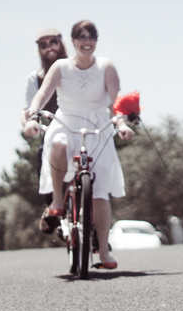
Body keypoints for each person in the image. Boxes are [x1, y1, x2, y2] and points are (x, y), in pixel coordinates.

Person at [25, 20, 134, 269]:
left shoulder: (106, 66)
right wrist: (32, 116)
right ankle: (57, 201)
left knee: (100, 193)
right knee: (58, 143)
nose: (87, 42)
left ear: (96, 41)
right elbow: (42, 94)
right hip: (67, 121)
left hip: (97, 125)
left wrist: (122, 124)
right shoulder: (61, 67)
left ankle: (104, 252)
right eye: (82, 37)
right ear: (73, 41)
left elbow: (115, 99)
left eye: (91, 37)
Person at [21, 27, 70, 219]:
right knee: (44, 162)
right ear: (39, 50)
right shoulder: (35, 78)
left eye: (53, 42)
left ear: (62, 43)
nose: (49, 48)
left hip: (79, 128)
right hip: (52, 130)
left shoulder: (76, 70)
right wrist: (29, 123)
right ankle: (52, 209)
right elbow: (27, 110)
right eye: (43, 45)